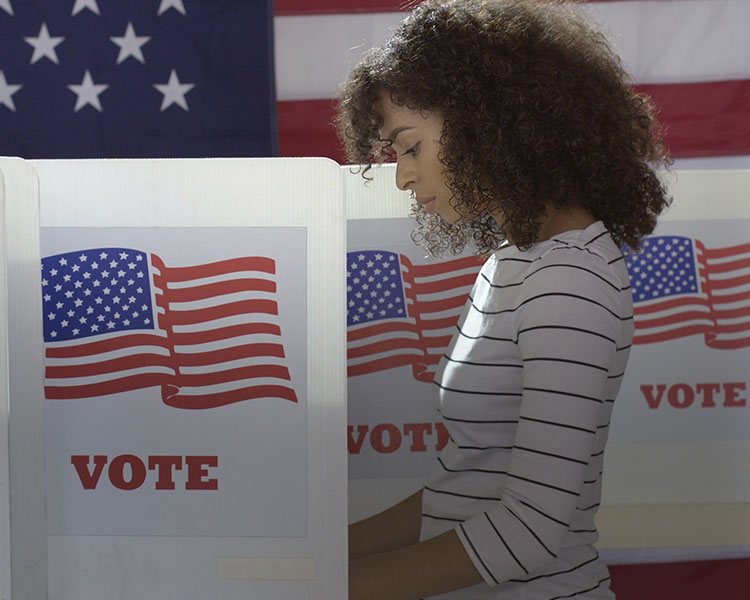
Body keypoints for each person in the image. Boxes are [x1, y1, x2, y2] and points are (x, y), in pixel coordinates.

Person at [336, 0, 671, 598]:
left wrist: (326, 587)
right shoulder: (514, 259)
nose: (402, 177)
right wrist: (318, 554)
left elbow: (530, 530)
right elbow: (460, 489)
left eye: (409, 147)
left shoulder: (570, 279)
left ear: (485, 121)